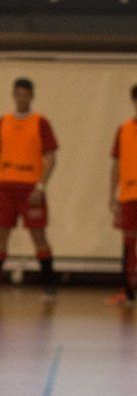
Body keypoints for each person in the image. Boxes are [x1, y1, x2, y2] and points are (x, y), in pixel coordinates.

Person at [0, 78, 59, 303]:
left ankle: (49, 287)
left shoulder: (40, 122)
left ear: (31, 96)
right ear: (13, 95)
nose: (21, 98)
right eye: (17, 94)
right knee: (0, 235)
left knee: (38, 235)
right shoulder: (3, 122)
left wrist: (40, 186)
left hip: (30, 189)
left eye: (25, 94)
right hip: (5, 188)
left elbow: (51, 159)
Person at [107, 84, 137, 307]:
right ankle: (127, 291)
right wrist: (112, 194)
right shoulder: (124, 129)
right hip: (129, 195)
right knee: (128, 244)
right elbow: (116, 164)